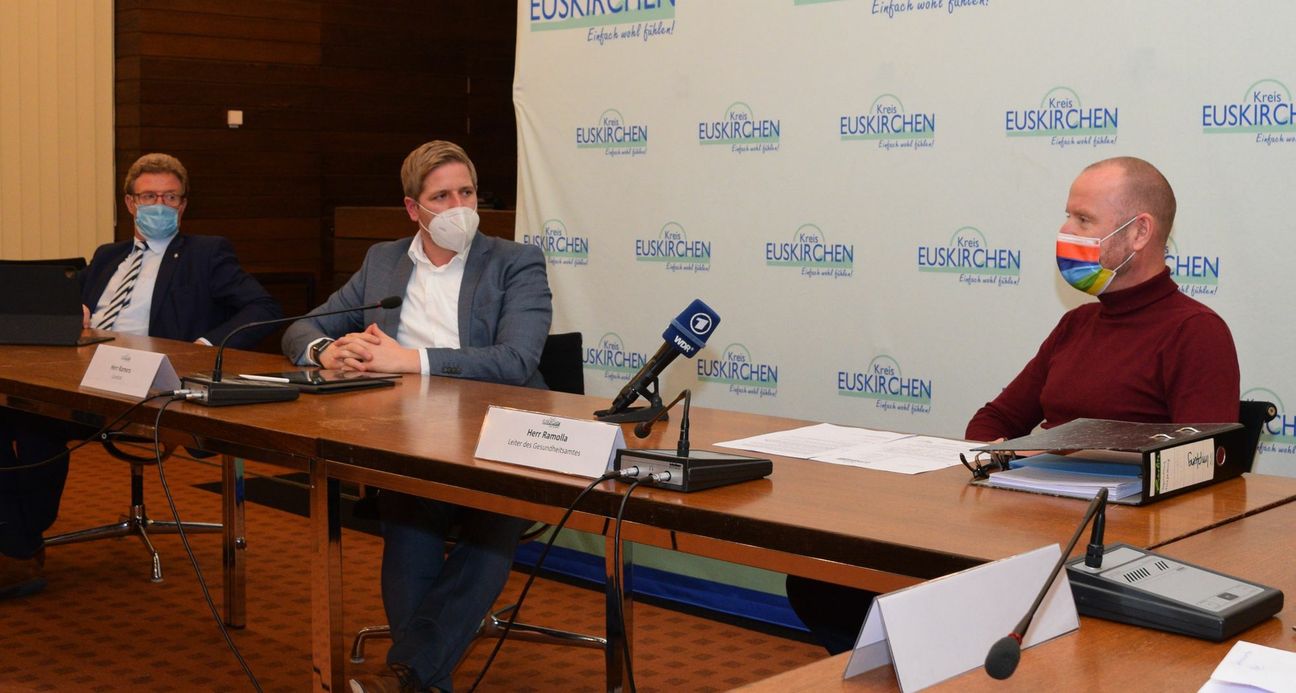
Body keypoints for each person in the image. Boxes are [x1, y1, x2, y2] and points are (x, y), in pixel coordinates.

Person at [785, 156, 1241, 655]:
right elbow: (994, 421)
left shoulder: (1195, 333)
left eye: (1083, 220)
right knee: (820, 585)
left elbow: (1202, 473)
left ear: (1139, 234)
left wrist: (1055, 457)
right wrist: (1007, 453)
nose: (1066, 231)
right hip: (1020, 529)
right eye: (1067, 216)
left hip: (1103, 551)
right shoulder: (1077, 326)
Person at [282, 140, 552, 693]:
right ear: (413, 209)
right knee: (408, 525)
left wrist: (408, 359)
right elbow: (301, 327)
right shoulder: (383, 261)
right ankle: (420, 679)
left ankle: (407, 677)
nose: (459, 206)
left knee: (491, 528)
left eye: (467, 192)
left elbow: (517, 358)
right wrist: (325, 351)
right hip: (408, 434)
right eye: (442, 196)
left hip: (502, 436)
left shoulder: (515, 261)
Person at [1, 153, 282, 601]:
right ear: (130, 203)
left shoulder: (206, 254)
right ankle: (14, 538)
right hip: (83, 374)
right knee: (9, 413)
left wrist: (203, 350)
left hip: (150, 383)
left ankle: (17, 550)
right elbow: (75, 314)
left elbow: (264, 308)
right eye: (149, 196)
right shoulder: (107, 255)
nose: (160, 205)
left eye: (170, 197)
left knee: (36, 428)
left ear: (183, 205)